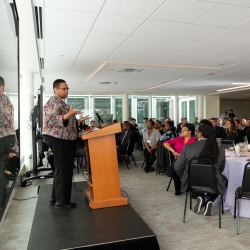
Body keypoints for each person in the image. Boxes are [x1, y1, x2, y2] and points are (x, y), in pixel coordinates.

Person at [42, 79, 90, 208]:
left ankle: (55, 197)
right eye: (64, 89)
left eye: (67, 88)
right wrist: (69, 115)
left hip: (63, 138)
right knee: (64, 170)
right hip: (59, 139)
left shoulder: (59, 102)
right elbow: (51, 120)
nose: (66, 91)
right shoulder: (53, 101)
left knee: (60, 169)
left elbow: (65, 122)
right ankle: (62, 202)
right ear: (55, 89)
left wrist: (78, 121)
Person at [174, 124, 227, 216]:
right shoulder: (220, 149)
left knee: (192, 177)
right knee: (224, 180)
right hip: (213, 182)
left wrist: (184, 176)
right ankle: (210, 199)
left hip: (193, 181)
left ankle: (200, 197)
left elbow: (177, 166)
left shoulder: (188, 147)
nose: (195, 133)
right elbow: (221, 168)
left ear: (200, 134)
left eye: (196, 131)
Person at [163, 123, 196, 195]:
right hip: (178, 159)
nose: (182, 131)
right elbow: (165, 143)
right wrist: (173, 151)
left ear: (190, 131)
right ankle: (179, 188)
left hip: (189, 160)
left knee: (176, 167)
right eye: (182, 130)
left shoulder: (194, 141)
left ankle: (186, 184)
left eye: (184, 130)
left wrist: (181, 156)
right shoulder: (179, 139)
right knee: (173, 168)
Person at [0, 76, 16, 212]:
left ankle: (2, 203)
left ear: (1, 88)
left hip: (3, 137)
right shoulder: (5, 100)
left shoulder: (2, 99)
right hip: (6, 136)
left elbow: (4, 120)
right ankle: (3, 201)